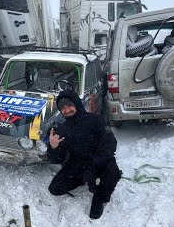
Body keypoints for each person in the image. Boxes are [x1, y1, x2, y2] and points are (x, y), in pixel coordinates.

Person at [47, 89, 122, 219]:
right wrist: (53, 147)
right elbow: (57, 159)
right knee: (55, 188)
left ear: (76, 103)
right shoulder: (62, 129)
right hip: (78, 165)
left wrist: (93, 168)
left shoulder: (95, 120)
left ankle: (100, 197)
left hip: (100, 161)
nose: (67, 110)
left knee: (113, 172)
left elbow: (111, 143)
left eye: (69, 105)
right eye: (62, 108)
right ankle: (83, 180)